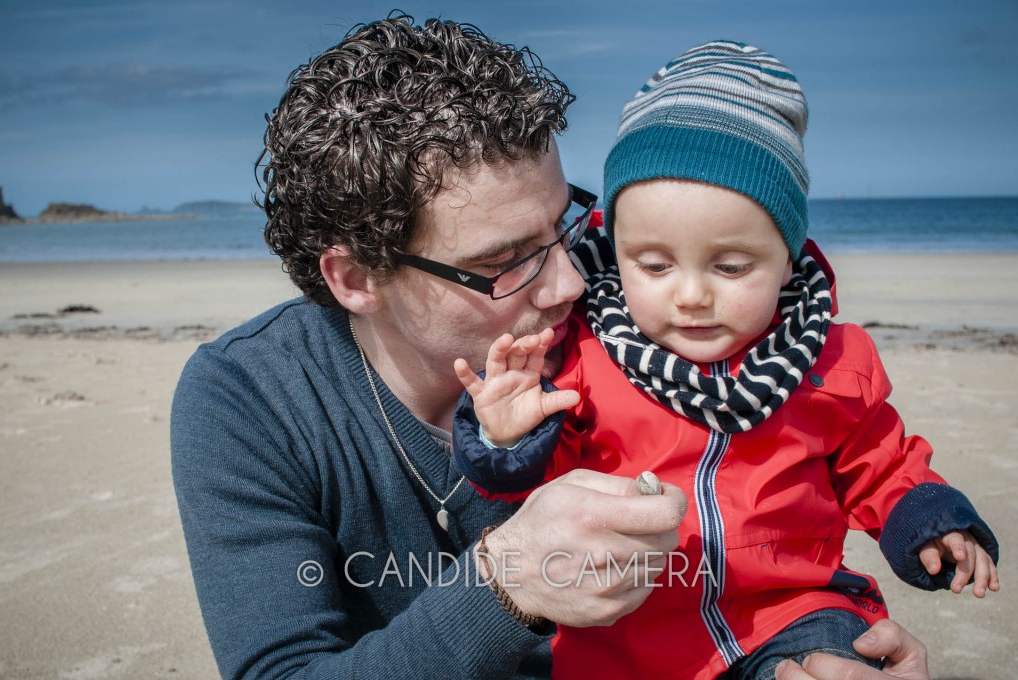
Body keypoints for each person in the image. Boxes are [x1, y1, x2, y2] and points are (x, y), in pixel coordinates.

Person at [169, 15, 934, 679]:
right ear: (357, 278)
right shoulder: (251, 398)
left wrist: (834, 646)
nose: (571, 283)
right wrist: (508, 587)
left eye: (567, 224)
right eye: (508, 260)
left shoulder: (646, 336)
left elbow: (770, 515)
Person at [451, 40, 999, 680]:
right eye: (653, 265)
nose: (690, 295)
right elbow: (536, 494)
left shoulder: (829, 359)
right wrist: (506, 435)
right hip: (627, 626)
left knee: (836, 660)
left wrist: (929, 521)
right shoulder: (584, 357)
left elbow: (879, 462)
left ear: (789, 259)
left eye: (732, 266)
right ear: (615, 249)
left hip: (792, 607)